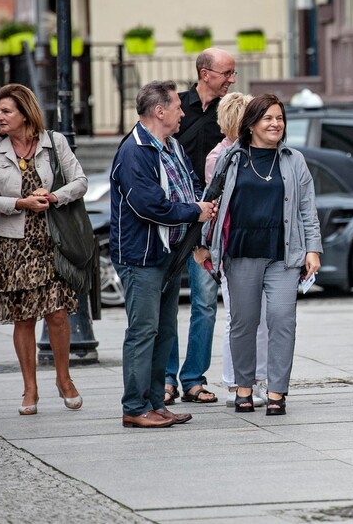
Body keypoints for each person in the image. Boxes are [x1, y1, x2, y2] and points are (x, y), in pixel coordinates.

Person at [202, 94, 322, 416]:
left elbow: (307, 210)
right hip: (241, 252)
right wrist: (204, 245)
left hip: (284, 253)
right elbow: (211, 203)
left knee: (283, 320)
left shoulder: (294, 160)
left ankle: (277, 392)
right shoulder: (232, 159)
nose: (275, 124)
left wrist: (313, 249)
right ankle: (243, 388)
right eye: (268, 118)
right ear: (251, 124)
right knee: (244, 322)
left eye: (279, 118)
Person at [111, 80, 217, 428]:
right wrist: (194, 211)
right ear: (159, 111)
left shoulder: (170, 145)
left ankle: (156, 402)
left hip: (169, 254)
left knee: (164, 330)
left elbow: (190, 185)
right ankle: (135, 407)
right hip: (141, 257)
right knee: (143, 332)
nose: (182, 112)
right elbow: (148, 205)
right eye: (176, 106)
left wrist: (200, 205)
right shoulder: (134, 151)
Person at [0, 83, 86, 415]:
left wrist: (55, 196)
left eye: (6, 111)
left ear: (25, 113)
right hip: (15, 246)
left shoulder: (54, 143)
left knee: (57, 314)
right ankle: (30, 388)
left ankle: (64, 379)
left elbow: (80, 181)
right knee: (24, 317)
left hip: (52, 241)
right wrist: (20, 202)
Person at [165, 48, 236, 406]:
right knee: (166, 301)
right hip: (174, 217)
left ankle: (193, 378)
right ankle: (165, 378)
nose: (232, 79)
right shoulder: (177, 108)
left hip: (209, 222)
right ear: (205, 73)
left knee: (206, 302)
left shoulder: (229, 113)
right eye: (227, 73)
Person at [205, 92, 269, 408]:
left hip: (257, 244)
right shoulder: (221, 158)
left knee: (261, 319)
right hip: (233, 247)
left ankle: (255, 379)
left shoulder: (253, 153)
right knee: (239, 317)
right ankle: (235, 383)